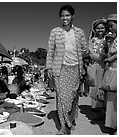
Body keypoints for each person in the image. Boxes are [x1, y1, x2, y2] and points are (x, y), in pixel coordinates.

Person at [46, 5, 87, 134]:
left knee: (73, 96)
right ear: (60, 17)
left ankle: (71, 118)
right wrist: (49, 67)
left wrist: (81, 57)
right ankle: (63, 125)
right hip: (60, 68)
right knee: (62, 97)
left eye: (67, 15)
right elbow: (50, 51)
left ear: (72, 16)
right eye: (62, 15)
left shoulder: (79, 32)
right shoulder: (55, 32)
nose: (65, 18)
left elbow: (85, 49)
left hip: (75, 68)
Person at [101, 13, 117, 133]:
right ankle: (112, 124)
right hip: (112, 70)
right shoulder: (113, 40)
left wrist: (111, 58)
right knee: (111, 97)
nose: (110, 29)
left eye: (111, 26)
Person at [88, 18, 107, 112]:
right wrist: (100, 57)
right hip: (96, 65)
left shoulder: (107, 39)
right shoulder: (92, 41)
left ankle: (103, 107)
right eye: (98, 28)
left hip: (105, 66)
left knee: (103, 85)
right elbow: (91, 53)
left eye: (102, 28)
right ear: (94, 30)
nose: (100, 30)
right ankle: (96, 106)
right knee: (95, 84)